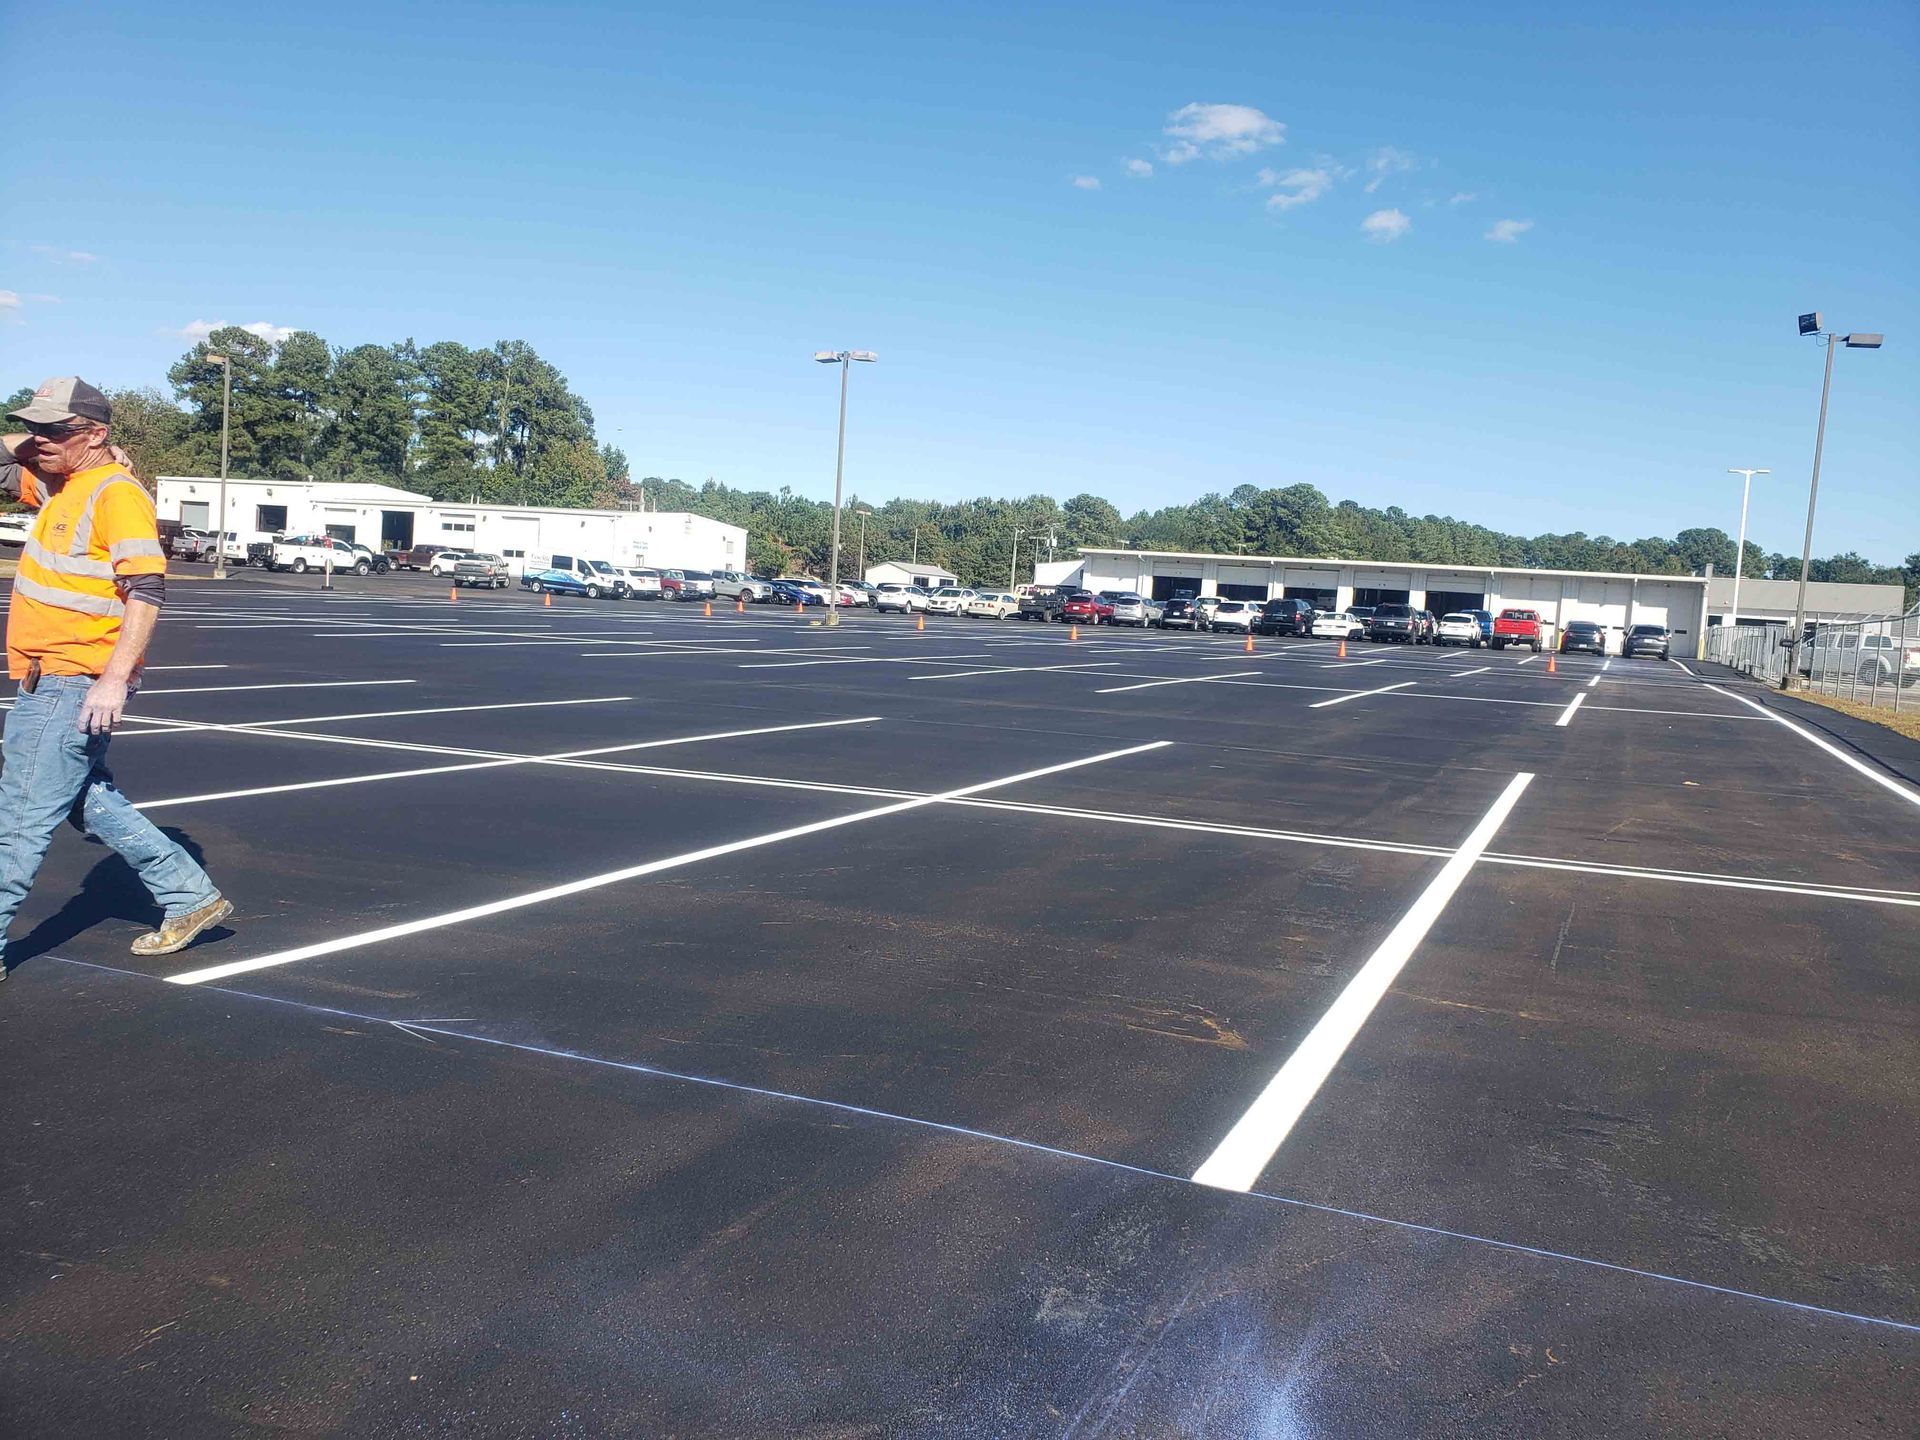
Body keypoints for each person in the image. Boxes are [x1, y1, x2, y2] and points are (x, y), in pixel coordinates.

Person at [0, 377, 231, 981]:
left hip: (72, 681)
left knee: (17, 821)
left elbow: (147, 589)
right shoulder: (59, 483)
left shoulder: (115, 494)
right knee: (87, 800)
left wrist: (114, 679)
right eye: (34, 428)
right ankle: (189, 894)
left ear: (96, 433)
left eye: (55, 430)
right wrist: (41, 442)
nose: (40, 440)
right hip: (48, 678)